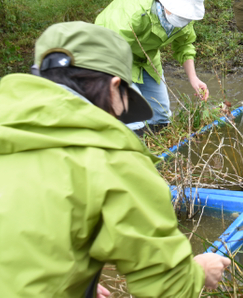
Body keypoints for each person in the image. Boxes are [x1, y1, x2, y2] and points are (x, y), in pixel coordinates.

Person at [0, 21, 231, 297]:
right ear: (114, 85)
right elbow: (166, 287)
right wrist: (198, 273)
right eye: (124, 106)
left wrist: (74, 279)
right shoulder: (110, 157)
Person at [95, 0, 209, 134]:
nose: (184, 19)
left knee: (161, 116)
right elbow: (109, 52)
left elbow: (185, 44)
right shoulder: (131, 14)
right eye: (180, 13)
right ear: (166, 1)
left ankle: (160, 150)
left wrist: (193, 78)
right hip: (109, 56)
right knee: (133, 119)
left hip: (145, 57)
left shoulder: (185, 19)